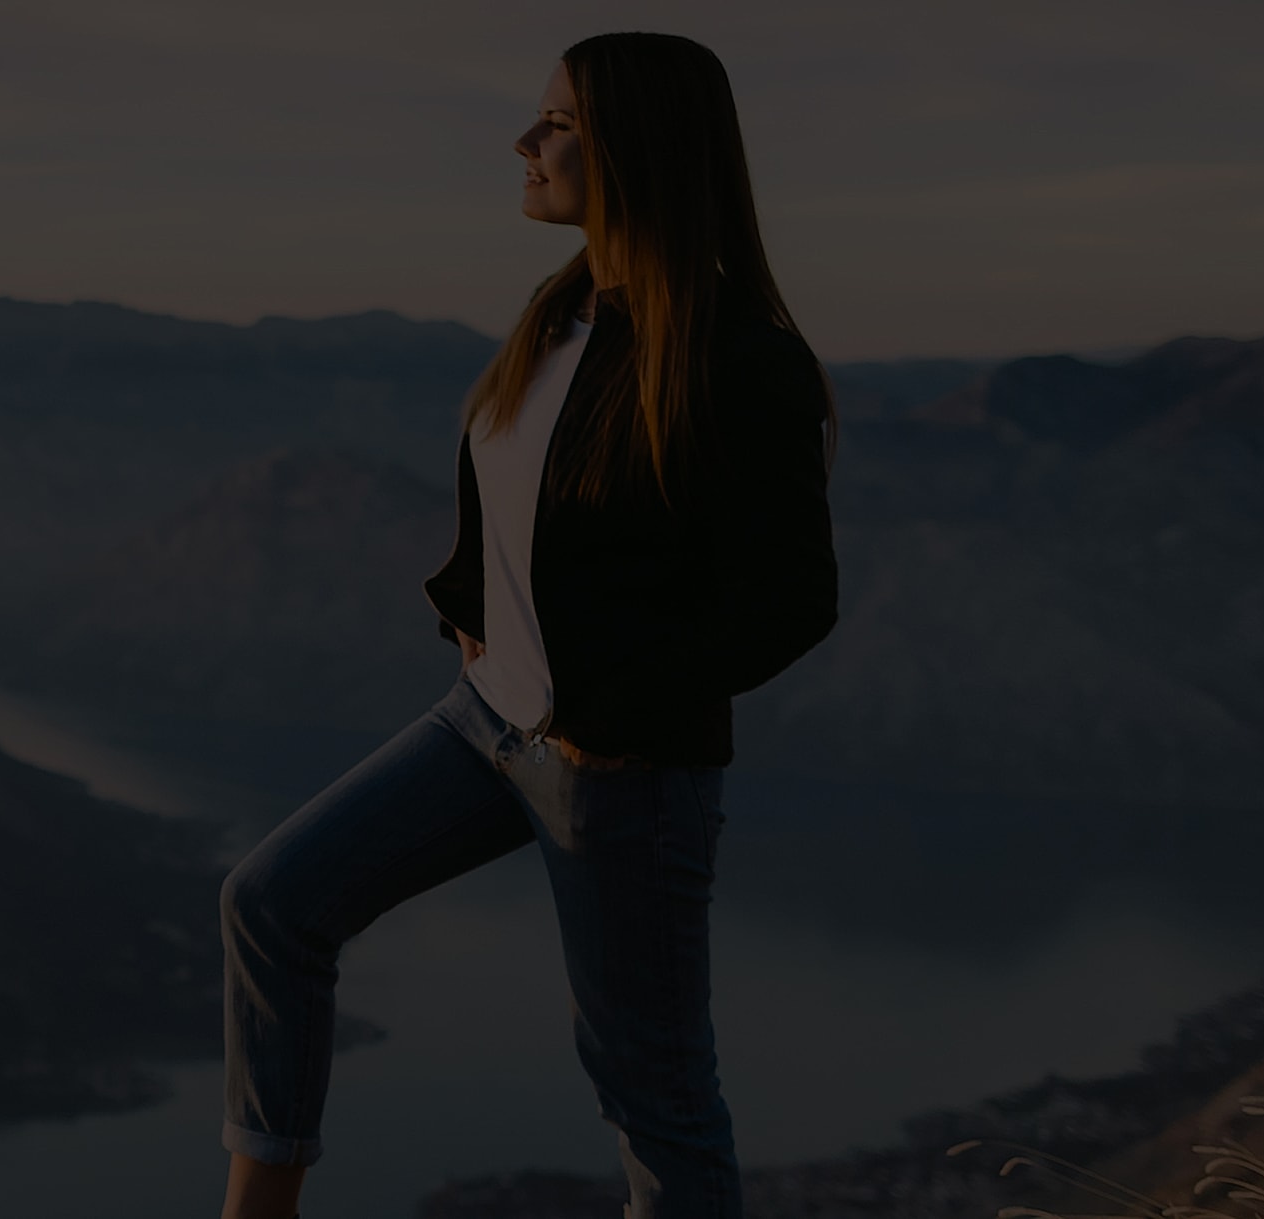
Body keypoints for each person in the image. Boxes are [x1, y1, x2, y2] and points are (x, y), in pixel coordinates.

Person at [218, 30, 838, 1219]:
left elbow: (791, 599)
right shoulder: (560, 316)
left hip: (621, 769)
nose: (523, 142)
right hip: (486, 723)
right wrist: (471, 615)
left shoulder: (736, 357)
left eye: (556, 123)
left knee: (651, 1093)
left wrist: (616, 710)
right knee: (270, 900)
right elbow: (514, 502)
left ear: (638, 150)